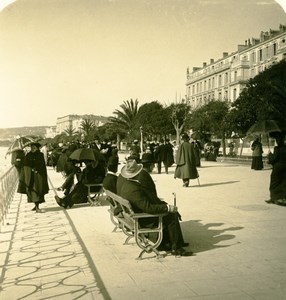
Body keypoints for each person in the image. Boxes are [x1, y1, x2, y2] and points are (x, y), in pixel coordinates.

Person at [116, 159, 193, 256]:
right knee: (171, 216)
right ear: (137, 173)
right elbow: (148, 208)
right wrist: (167, 208)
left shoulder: (128, 184)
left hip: (134, 216)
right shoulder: (133, 189)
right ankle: (176, 248)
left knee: (168, 211)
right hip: (143, 219)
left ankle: (170, 242)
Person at [18, 142, 49, 213]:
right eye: (31, 147)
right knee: (32, 191)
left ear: (37, 148)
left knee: (38, 190)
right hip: (30, 177)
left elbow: (42, 165)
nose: (32, 149)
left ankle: (37, 207)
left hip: (38, 177)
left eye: (34, 147)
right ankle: (36, 206)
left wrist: (36, 169)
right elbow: (25, 164)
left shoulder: (40, 155)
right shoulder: (28, 155)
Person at [265, 133, 286, 205]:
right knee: (283, 183)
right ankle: (282, 198)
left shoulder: (277, 148)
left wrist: (270, 155)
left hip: (277, 168)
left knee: (274, 183)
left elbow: (274, 159)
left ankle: (273, 198)